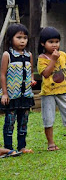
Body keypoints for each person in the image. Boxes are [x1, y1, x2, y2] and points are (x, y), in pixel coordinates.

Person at [0, 24, 36, 154]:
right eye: (19, 37)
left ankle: (22, 147)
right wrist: (5, 93)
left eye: (25, 38)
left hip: (26, 95)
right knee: (10, 122)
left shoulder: (29, 55)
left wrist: (32, 80)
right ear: (10, 39)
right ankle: (8, 149)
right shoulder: (7, 55)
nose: (22, 40)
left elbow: (31, 71)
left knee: (24, 122)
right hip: (12, 95)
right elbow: (2, 75)